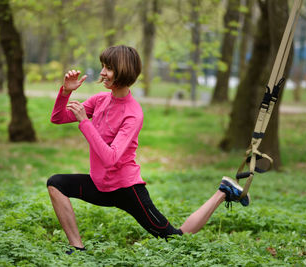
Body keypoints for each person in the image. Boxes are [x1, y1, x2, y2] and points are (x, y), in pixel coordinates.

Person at [47, 45, 249, 254]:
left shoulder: (133, 113)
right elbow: (58, 118)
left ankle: (223, 192)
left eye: (108, 68)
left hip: (126, 189)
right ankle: (77, 248)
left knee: (174, 239)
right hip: (100, 185)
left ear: (123, 71)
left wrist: (84, 122)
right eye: (103, 66)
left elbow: (111, 159)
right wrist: (65, 92)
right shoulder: (100, 100)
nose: (102, 72)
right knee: (56, 183)